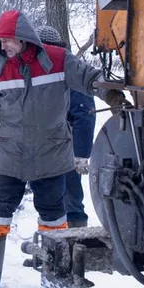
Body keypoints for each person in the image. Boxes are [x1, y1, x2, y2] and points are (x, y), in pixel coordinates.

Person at [0, 10, 124, 288]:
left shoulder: (57, 59)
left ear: (24, 38)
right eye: (0, 41)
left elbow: (90, 79)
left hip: (51, 154)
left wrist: (111, 94)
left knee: (54, 216)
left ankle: (54, 275)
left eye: (8, 41)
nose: (3, 46)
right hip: (9, 155)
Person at [35, 24, 97, 229]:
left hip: (66, 147)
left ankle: (75, 246)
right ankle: (51, 248)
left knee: (70, 199)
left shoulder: (69, 69)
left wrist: (80, 155)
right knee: (48, 200)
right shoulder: (35, 70)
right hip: (43, 147)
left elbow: (84, 114)